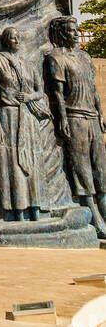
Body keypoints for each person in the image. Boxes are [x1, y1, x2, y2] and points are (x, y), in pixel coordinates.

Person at [44, 16, 106, 240]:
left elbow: (93, 87)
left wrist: (100, 115)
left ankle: (104, 207)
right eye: (70, 31)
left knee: (101, 165)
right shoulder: (55, 58)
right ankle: (94, 215)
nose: (75, 34)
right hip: (74, 115)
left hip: (91, 116)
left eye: (76, 30)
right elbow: (57, 93)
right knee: (81, 167)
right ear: (61, 34)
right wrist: (61, 118)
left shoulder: (85, 56)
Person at [0, 27, 50, 222]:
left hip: (27, 116)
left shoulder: (28, 65)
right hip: (7, 116)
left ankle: (35, 208)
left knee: (31, 161)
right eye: (13, 37)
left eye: (19, 37)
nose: (17, 40)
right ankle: (15, 210)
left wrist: (29, 96)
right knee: (11, 162)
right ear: (4, 41)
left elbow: (40, 91)